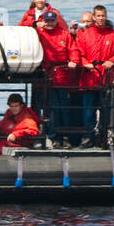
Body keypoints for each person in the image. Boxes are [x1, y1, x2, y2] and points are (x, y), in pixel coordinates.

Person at [74, 4, 114, 146]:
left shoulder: (113, 34)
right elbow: (78, 52)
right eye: (98, 15)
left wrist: (112, 61)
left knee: (106, 111)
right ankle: (87, 138)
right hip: (89, 78)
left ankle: (104, 138)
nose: (101, 18)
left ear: (106, 16)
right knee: (88, 110)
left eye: (103, 15)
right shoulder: (86, 34)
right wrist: (85, 63)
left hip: (106, 78)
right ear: (94, 17)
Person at [34, 8, 78, 148]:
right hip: (46, 76)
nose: (50, 23)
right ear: (43, 21)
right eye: (47, 21)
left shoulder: (65, 34)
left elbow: (74, 50)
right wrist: (35, 23)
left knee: (63, 108)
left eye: (52, 21)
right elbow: (24, 31)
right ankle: (52, 137)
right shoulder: (39, 33)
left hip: (63, 76)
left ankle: (64, 136)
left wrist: (74, 61)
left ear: (56, 21)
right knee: (49, 109)